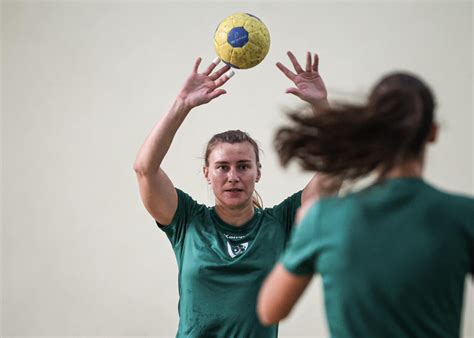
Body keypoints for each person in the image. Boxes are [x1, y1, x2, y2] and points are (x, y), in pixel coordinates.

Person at [257, 71, 474, 337]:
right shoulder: (464, 214)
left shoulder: (323, 219)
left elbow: (270, 310)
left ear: (372, 128)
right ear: (432, 132)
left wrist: (305, 231)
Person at [134, 52, 336, 337]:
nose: (233, 177)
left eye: (243, 166)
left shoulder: (282, 222)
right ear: (207, 173)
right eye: (222, 167)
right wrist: (182, 104)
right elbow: (145, 169)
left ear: (258, 173)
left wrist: (321, 106)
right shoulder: (187, 221)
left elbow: (337, 169)